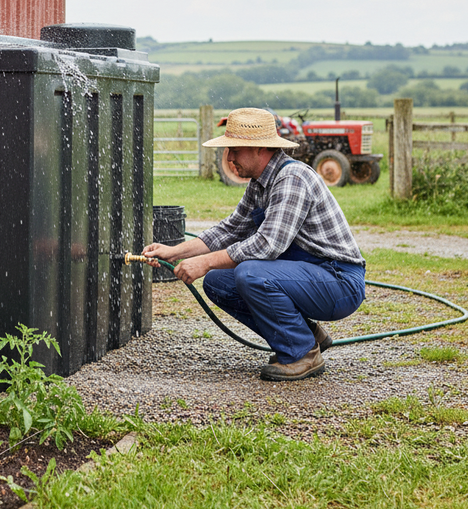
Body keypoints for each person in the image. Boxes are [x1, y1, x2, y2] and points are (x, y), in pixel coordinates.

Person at [143, 107, 365, 382]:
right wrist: (175, 251)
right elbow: (231, 229)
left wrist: (204, 261)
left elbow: (267, 246)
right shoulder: (260, 183)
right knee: (218, 281)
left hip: (338, 280)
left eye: (235, 148)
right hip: (309, 274)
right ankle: (305, 334)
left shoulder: (292, 178)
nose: (230, 156)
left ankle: (302, 353)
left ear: (260, 148)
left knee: (250, 274)